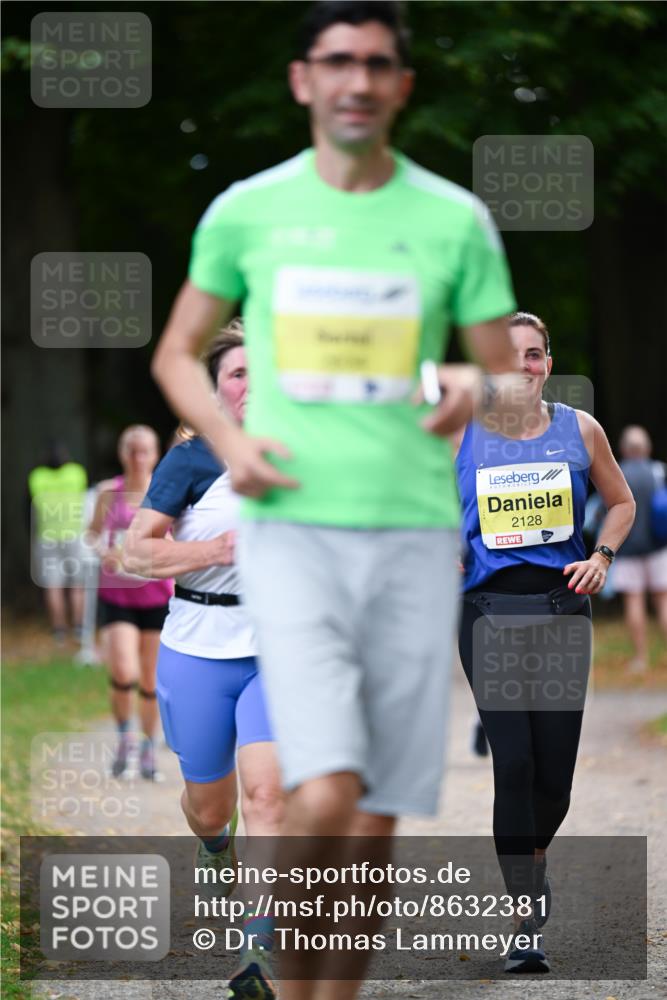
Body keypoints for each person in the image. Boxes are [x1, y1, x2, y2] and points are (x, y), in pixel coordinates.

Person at [152, 4, 527, 995]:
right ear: (302, 79)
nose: (356, 80)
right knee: (321, 789)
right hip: (295, 533)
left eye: (377, 63)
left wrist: (465, 388)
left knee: (372, 817)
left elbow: (501, 370)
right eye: (337, 62)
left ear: (401, 84)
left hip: (410, 539)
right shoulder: (247, 209)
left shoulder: (453, 218)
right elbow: (176, 354)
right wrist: (230, 440)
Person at [455, 311, 635, 973]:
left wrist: (604, 556)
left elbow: (619, 502)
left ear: (546, 363)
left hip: (563, 610)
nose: (522, 367)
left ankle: (532, 860)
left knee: (554, 779)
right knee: (516, 765)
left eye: (533, 355)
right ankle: (524, 919)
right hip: (488, 613)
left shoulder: (578, 429)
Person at [123, 324, 283, 999]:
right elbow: (136, 552)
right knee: (211, 808)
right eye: (236, 374)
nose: (249, 386)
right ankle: (214, 847)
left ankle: (258, 949)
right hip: (197, 646)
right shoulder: (190, 463)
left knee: (267, 796)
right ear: (215, 387)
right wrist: (212, 551)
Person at [89, 426, 173, 780]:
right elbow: (92, 534)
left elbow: (181, 534)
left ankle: (148, 747)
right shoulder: (110, 492)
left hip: (157, 595)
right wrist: (104, 551)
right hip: (117, 594)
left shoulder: (168, 489)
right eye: (132, 451)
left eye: (145, 451)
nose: (138, 458)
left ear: (155, 455)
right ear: (123, 454)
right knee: (124, 671)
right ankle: (125, 736)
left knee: (151, 681)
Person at [613, 425, 667, 672]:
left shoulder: (618, 474)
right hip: (658, 546)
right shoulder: (658, 472)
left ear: (624, 449)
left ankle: (641, 659)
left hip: (627, 548)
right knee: (663, 601)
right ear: (647, 448)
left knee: (634, 601)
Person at [28, 441, 87, 645]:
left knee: (53, 586)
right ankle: (79, 628)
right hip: (74, 534)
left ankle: (59, 631)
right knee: (77, 585)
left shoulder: (36, 477)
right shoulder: (76, 473)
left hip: (47, 536)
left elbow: (28, 507)